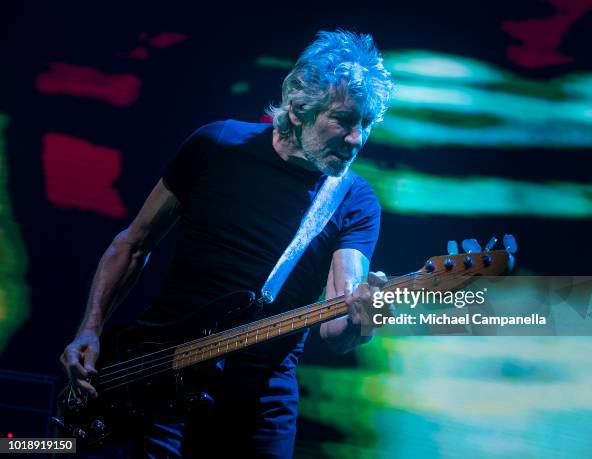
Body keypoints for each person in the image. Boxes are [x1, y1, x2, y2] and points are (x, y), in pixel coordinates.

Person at [60, 29, 393, 458]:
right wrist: (90, 329)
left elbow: (337, 328)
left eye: (366, 124)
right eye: (345, 120)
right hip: (155, 375)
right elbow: (133, 244)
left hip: (258, 406)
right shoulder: (216, 144)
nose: (357, 139)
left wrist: (371, 312)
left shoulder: (354, 199)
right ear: (297, 110)